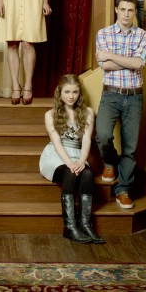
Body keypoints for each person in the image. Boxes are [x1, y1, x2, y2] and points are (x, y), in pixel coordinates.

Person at [94, 0, 146, 210]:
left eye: (131, 10)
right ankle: (110, 163)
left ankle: (123, 190)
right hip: (110, 94)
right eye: (123, 9)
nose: (126, 14)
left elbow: (138, 64)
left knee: (130, 147)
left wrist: (111, 55)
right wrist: (129, 61)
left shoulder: (143, 35)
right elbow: (105, 66)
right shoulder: (104, 33)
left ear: (135, 12)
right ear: (116, 9)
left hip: (134, 96)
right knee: (103, 134)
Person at [39, 74, 104, 244]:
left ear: (79, 93)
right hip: (56, 155)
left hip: (78, 153)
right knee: (70, 172)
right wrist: (69, 163)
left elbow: (87, 139)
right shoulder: (50, 114)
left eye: (75, 92)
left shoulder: (88, 112)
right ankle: (69, 227)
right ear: (59, 93)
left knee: (87, 173)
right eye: (67, 92)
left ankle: (85, 224)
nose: (71, 96)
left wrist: (82, 161)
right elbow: (56, 142)